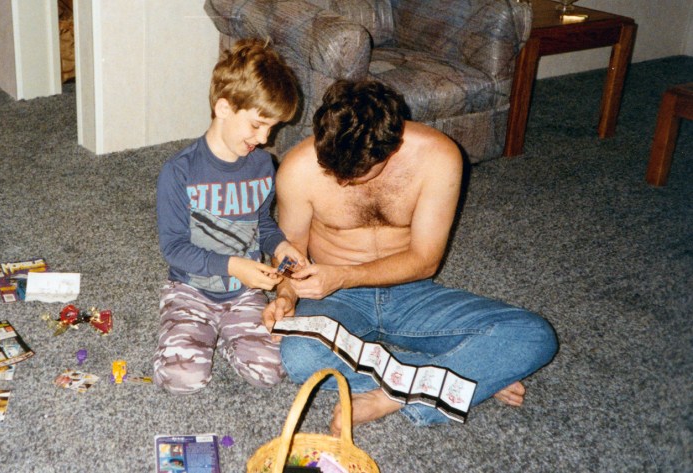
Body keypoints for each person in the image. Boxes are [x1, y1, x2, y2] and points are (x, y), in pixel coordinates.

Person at [263, 80, 558, 432]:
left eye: (355, 172)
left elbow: (424, 260)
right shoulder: (298, 168)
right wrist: (285, 295)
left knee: (534, 335)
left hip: (410, 289)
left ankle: (391, 396)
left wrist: (343, 274)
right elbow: (290, 253)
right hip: (335, 296)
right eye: (333, 170)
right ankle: (460, 375)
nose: (341, 181)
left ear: (391, 147)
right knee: (300, 357)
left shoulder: (439, 156)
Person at [153, 38, 306, 395]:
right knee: (182, 380)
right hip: (191, 288)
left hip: (245, 292)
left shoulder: (262, 164)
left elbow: (261, 223)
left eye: (272, 128)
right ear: (223, 108)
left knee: (271, 371)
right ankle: (199, 330)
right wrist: (234, 265)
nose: (265, 138)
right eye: (256, 125)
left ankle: (225, 334)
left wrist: (281, 245)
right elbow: (174, 248)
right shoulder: (179, 172)